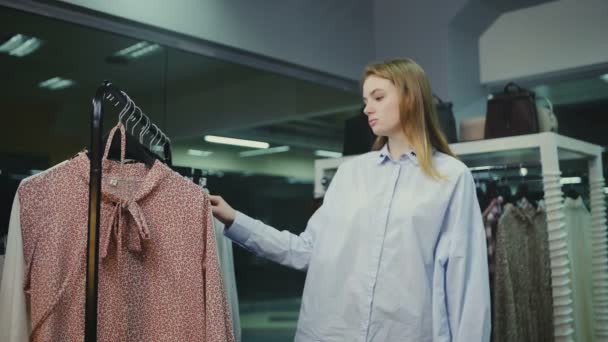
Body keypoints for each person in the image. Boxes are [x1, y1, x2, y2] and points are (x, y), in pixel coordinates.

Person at [210, 58, 491, 342]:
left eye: (378, 97)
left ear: (410, 98)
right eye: (366, 100)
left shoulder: (451, 177)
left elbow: (465, 283)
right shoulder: (350, 174)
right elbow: (306, 251)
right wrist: (235, 219)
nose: (367, 108)